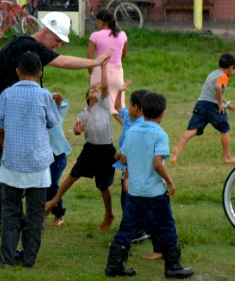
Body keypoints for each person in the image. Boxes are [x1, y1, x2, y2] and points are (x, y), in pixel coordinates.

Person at [0, 11, 111, 237]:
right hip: (1, 112)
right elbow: (63, 61)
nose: (58, 45)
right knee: (5, 166)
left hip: (7, 108)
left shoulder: (22, 44)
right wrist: (96, 61)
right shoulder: (31, 47)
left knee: (12, 165)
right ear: (48, 31)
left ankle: (9, 219)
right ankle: (4, 221)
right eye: (58, 40)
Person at [105, 92, 194, 279]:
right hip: (154, 192)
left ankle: (114, 264)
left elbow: (125, 159)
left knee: (127, 228)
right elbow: (157, 163)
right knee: (166, 227)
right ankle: (173, 266)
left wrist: (127, 178)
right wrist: (170, 181)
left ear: (142, 110)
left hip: (135, 191)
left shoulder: (131, 132)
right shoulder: (160, 134)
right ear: (162, 113)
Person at [0, 52, 60, 267]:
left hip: (12, 162)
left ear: (17, 72)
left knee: (10, 210)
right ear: (40, 73)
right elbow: (52, 122)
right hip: (38, 165)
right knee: (36, 214)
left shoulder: (7, 94)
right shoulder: (45, 96)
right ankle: (29, 258)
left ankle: (7, 257)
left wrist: (5, 145)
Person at [46, 55, 117, 232]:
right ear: (87, 95)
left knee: (103, 185)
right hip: (90, 149)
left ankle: (109, 214)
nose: (96, 89)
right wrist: (77, 131)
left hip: (106, 150)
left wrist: (102, 67)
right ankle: (54, 201)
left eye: (98, 88)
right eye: (92, 88)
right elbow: (78, 131)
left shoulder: (104, 105)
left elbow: (106, 87)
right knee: (73, 175)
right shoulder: (83, 113)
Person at [113, 85, 163, 261]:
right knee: (133, 205)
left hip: (136, 173)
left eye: (130, 104)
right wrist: (120, 90)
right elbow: (118, 108)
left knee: (133, 206)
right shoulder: (129, 117)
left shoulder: (142, 128)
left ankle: (128, 238)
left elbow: (132, 157)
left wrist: (121, 157)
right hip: (131, 171)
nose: (128, 106)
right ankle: (137, 233)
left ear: (137, 108)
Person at [170, 53, 235, 165]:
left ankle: (177, 151)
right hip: (213, 107)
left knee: (192, 129)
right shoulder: (224, 77)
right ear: (232, 67)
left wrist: (227, 103)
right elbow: (217, 88)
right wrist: (219, 104)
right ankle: (227, 157)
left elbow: (213, 92)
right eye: (234, 69)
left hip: (201, 104)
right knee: (225, 129)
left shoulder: (213, 74)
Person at [87, 9, 128, 126]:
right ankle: (128, 128)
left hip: (100, 72)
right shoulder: (122, 35)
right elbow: (123, 55)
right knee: (117, 108)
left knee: (96, 104)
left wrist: (90, 74)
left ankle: (96, 134)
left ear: (101, 22)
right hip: (117, 73)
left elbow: (90, 59)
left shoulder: (95, 36)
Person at [46, 92, 72, 226]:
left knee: (52, 185)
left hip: (57, 154)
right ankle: (44, 210)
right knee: (43, 185)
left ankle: (58, 213)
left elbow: (60, 97)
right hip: (42, 155)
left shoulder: (55, 112)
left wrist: (50, 95)